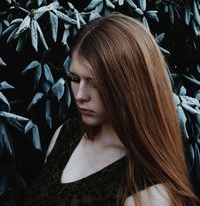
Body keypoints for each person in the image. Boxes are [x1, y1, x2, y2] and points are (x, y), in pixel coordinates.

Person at [25, 12, 199, 206]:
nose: (80, 95)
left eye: (96, 83)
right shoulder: (65, 135)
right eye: (75, 79)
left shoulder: (151, 195)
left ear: (130, 87)